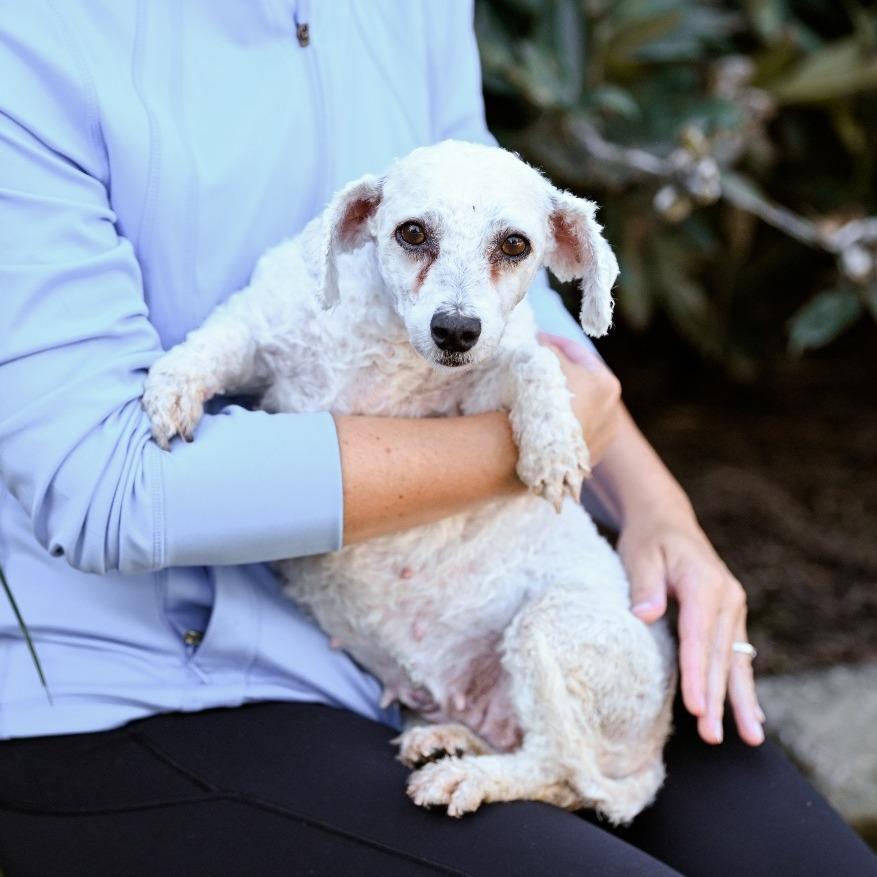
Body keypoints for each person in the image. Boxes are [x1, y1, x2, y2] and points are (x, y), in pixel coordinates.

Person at [0, 2, 873, 875]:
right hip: (140, 686)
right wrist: (511, 454)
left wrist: (655, 509)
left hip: (444, 640)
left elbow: (496, 239)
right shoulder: (34, 38)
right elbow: (103, 487)